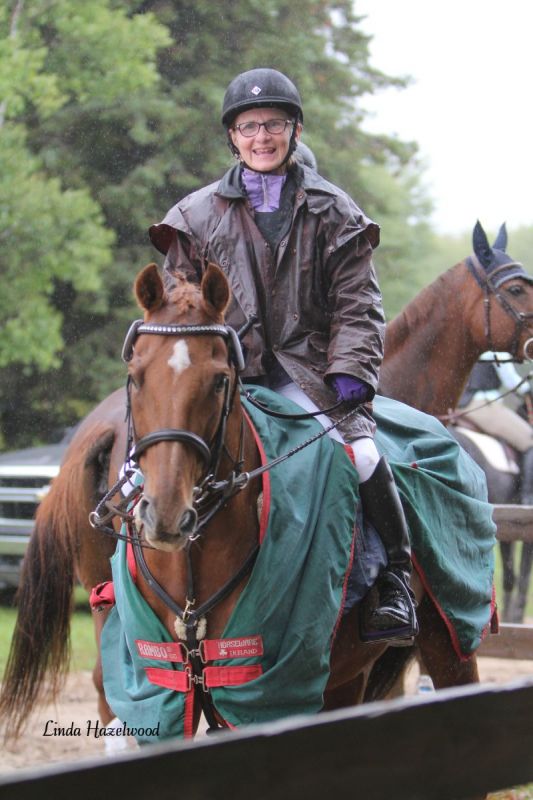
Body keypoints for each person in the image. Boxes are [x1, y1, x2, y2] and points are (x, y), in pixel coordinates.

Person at [149, 67, 417, 645]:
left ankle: (395, 580)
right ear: (232, 137)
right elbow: (179, 303)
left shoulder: (335, 210)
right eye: (249, 127)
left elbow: (359, 304)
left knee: (362, 452)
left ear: (294, 130)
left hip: (307, 374)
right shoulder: (193, 216)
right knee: (150, 447)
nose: (261, 136)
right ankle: (128, 580)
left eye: (273, 123)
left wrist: (348, 370)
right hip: (227, 372)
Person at [458, 351, 533, 454]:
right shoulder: (497, 350)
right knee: (529, 440)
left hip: (457, 404)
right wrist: (527, 390)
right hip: (483, 404)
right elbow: (511, 381)